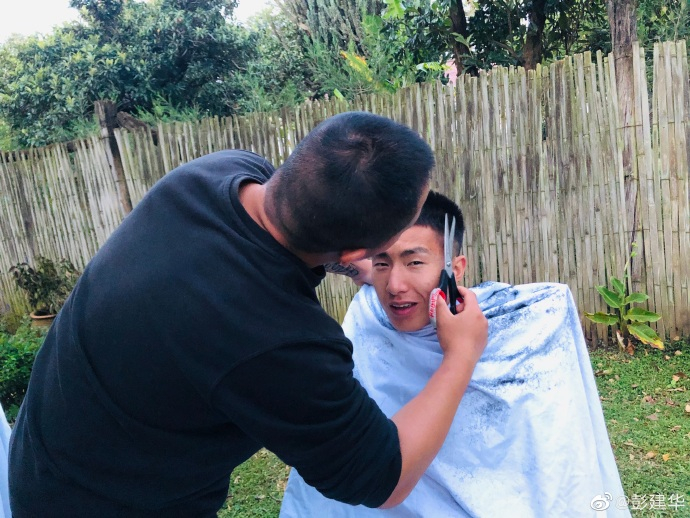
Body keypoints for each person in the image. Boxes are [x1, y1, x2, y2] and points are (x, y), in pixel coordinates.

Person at [9, 112, 489, 516]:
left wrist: (350, 260)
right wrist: (461, 353)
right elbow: (384, 477)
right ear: (358, 248)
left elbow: (284, 232)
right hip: (101, 503)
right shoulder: (279, 342)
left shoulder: (214, 174)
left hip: (50, 450)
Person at [280, 191, 631, 517]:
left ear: (455, 269)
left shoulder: (525, 326)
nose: (395, 286)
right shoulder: (369, 317)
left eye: (414, 262)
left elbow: (553, 461)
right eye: (383, 264)